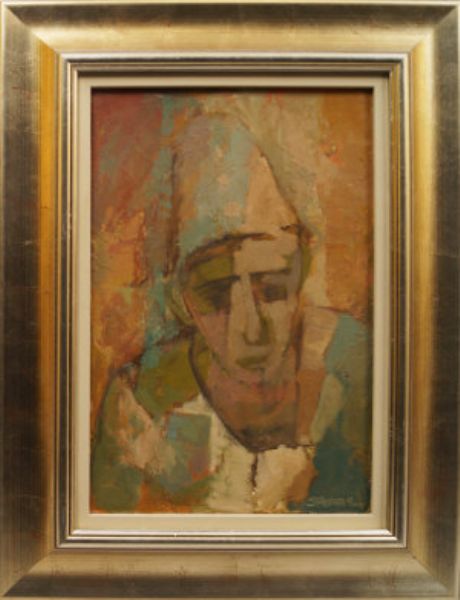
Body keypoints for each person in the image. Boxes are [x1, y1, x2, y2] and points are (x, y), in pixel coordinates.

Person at [92, 115, 371, 513]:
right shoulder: (140, 404)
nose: (250, 328)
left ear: (302, 268)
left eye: (271, 288)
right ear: (180, 297)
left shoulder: (358, 365)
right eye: (216, 294)